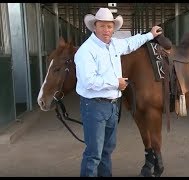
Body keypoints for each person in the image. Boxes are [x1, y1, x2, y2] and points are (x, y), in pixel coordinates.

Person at [74, 7, 162, 177]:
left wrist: (150, 35)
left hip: (111, 107)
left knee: (106, 151)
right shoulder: (86, 51)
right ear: (95, 27)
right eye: (102, 26)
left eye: (109, 26)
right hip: (94, 106)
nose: (106, 30)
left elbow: (130, 43)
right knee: (93, 154)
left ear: (113, 28)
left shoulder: (114, 44)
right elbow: (88, 81)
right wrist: (116, 83)